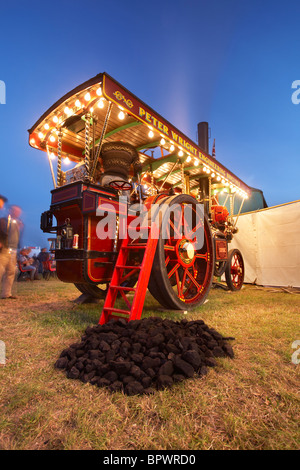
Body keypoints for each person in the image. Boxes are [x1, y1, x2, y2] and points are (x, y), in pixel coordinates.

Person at [0, 204, 23, 299]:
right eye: (15, 211)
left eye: (19, 212)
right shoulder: (3, 221)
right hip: (4, 248)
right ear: (10, 210)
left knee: (10, 272)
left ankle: (6, 293)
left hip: (13, 250)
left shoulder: (18, 223)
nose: (17, 213)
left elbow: (16, 236)